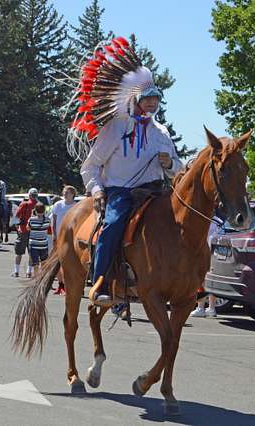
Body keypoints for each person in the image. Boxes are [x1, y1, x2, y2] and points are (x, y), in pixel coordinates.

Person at [80, 81, 183, 307]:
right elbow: (90, 167)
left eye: (156, 98)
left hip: (156, 192)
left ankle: (189, 281)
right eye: (148, 98)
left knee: (185, 223)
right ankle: (102, 283)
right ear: (135, 99)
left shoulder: (161, 132)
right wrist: (97, 190)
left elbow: (179, 169)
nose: (153, 103)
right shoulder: (116, 127)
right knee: (114, 223)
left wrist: (169, 164)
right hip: (122, 192)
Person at [191, 217, 224, 318]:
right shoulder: (219, 221)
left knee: (202, 280)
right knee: (211, 280)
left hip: (205, 253)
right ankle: (211, 308)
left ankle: (201, 308)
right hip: (215, 253)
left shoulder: (202, 218)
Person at [51, 185, 77, 295]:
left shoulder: (76, 206)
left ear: (72, 194)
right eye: (64, 192)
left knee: (69, 263)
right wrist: (54, 234)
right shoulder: (58, 205)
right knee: (58, 262)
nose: (64, 194)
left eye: (67, 192)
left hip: (71, 238)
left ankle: (69, 285)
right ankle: (60, 284)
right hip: (58, 237)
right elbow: (54, 220)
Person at [11, 188, 39, 277]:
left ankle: (16, 271)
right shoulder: (39, 205)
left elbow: (16, 216)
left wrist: (17, 227)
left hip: (23, 231)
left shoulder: (24, 204)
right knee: (32, 253)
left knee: (19, 253)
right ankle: (29, 272)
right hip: (35, 232)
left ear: (29, 195)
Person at [28, 203, 50, 277]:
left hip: (34, 244)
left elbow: (28, 228)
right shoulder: (47, 220)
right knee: (43, 262)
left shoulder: (31, 219)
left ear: (35, 211)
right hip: (43, 244)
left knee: (35, 263)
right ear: (44, 211)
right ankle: (42, 278)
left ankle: (36, 278)